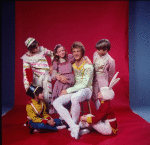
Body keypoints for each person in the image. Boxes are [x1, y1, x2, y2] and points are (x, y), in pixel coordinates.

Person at [53, 41, 94, 139]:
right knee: (56, 102)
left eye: (78, 51)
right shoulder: (73, 63)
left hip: (87, 90)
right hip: (76, 90)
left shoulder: (88, 65)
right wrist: (57, 75)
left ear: (82, 52)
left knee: (75, 98)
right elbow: (56, 65)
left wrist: (67, 90)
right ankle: (73, 126)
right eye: (74, 51)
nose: (75, 53)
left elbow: (84, 84)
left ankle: (74, 123)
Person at [51, 44, 92, 114]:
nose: (62, 52)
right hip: (61, 83)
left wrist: (86, 58)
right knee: (61, 97)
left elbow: (78, 56)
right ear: (57, 53)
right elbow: (53, 73)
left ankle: (71, 113)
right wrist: (58, 76)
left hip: (70, 82)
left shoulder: (69, 58)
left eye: (63, 50)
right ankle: (63, 116)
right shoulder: (56, 62)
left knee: (70, 97)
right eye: (60, 51)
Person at [20, 37, 54, 110]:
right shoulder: (26, 57)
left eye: (37, 46)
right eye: (34, 48)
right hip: (36, 79)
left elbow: (52, 54)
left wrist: (52, 65)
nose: (37, 49)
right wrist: (27, 86)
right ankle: (40, 113)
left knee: (48, 96)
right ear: (30, 49)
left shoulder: (42, 49)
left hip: (46, 76)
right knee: (39, 97)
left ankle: (47, 113)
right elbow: (25, 72)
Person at [92, 39, 115, 110]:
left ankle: (104, 113)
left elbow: (111, 73)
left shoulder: (110, 60)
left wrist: (106, 82)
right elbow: (93, 65)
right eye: (97, 49)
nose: (97, 51)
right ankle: (99, 111)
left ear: (106, 50)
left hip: (103, 79)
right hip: (94, 78)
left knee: (104, 97)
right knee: (94, 96)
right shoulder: (95, 54)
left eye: (99, 50)